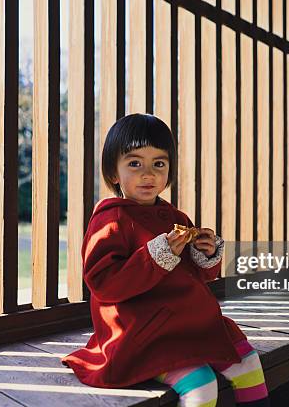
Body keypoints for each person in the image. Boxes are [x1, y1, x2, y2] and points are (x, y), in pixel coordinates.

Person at [61, 113, 270, 407]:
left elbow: (197, 277)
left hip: (192, 323)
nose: (148, 174)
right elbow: (103, 284)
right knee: (202, 385)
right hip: (144, 333)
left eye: (158, 163)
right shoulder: (111, 219)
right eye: (135, 163)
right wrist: (157, 255)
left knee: (249, 364)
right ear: (113, 173)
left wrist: (205, 255)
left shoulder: (176, 218)